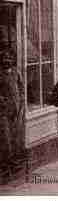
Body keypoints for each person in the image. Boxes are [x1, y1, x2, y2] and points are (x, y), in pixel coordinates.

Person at [0, 50, 25, 178]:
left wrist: (21, 103)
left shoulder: (16, 72)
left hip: (17, 110)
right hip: (4, 112)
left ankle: (15, 163)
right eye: (4, 58)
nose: (7, 60)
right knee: (6, 139)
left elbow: (21, 89)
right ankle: (5, 165)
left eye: (9, 58)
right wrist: (2, 100)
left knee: (16, 137)